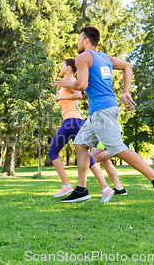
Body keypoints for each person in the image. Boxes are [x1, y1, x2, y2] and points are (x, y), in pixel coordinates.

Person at [55, 26, 154, 206]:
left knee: (117, 148)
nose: (77, 42)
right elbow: (127, 66)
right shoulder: (105, 58)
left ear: (86, 40)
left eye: (79, 39)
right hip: (99, 111)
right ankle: (81, 190)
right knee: (80, 144)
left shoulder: (82, 57)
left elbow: (82, 85)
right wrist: (126, 92)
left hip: (102, 110)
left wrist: (67, 82)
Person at [50, 59, 115, 203]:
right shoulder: (68, 81)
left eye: (61, 65)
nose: (59, 67)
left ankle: (66, 185)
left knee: (53, 152)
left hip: (71, 121)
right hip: (77, 121)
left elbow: (79, 95)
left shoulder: (72, 80)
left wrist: (60, 96)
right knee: (87, 158)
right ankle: (106, 188)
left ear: (68, 67)